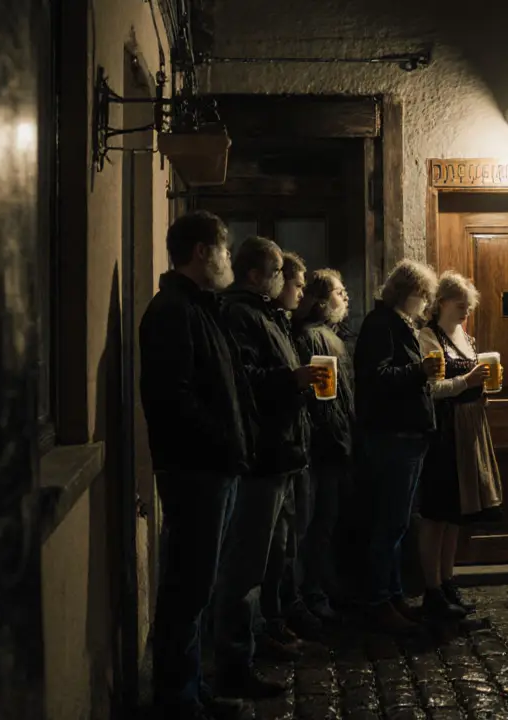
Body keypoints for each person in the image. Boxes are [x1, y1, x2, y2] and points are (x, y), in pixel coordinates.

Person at [139, 211, 252, 720]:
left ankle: (192, 687)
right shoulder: (172, 311)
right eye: (225, 250)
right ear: (203, 251)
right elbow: (175, 397)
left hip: (212, 466)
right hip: (195, 469)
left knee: (199, 584)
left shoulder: (200, 307)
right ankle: (177, 699)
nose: (228, 260)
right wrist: (222, 439)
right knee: (188, 586)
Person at [212, 237, 326, 698]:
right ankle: (234, 664)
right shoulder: (241, 315)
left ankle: (258, 638)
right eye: (278, 271)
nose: (285, 280)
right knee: (245, 566)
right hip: (261, 458)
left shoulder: (266, 315)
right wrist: (293, 379)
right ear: (258, 276)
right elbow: (246, 383)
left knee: (272, 557)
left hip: (281, 454)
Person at [353, 259, 442, 633]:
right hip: (392, 436)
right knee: (389, 522)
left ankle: (392, 595)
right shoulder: (382, 325)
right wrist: (419, 371)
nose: (425, 305)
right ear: (407, 293)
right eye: (422, 296)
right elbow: (377, 377)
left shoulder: (400, 325)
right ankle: (378, 601)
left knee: (398, 521)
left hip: (406, 435)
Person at [416, 271, 504, 620]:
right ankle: (432, 588)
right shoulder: (428, 337)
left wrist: (483, 389)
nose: (467, 309)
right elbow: (431, 389)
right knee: (437, 513)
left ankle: (448, 581)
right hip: (445, 431)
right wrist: (467, 381)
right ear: (441, 303)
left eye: (469, 304)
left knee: (456, 514)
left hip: (470, 427)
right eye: (460, 303)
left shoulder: (465, 336)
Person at [291, 269, 355, 622]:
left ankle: (321, 587)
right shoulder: (315, 338)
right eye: (338, 292)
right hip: (323, 446)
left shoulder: (329, 336)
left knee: (324, 522)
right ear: (319, 299)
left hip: (332, 443)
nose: (345, 297)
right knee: (318, 523)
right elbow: (325, 403)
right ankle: (313, 593)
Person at [269, 251, 326, 640]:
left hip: (293, 446)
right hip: (272, 451)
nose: (302, 292)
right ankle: (271, 620)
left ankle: (284, 611)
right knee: (274, 546)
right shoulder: (257, 320)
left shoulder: (280, 322)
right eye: (297, 283)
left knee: (289, 539)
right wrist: (293, 380)